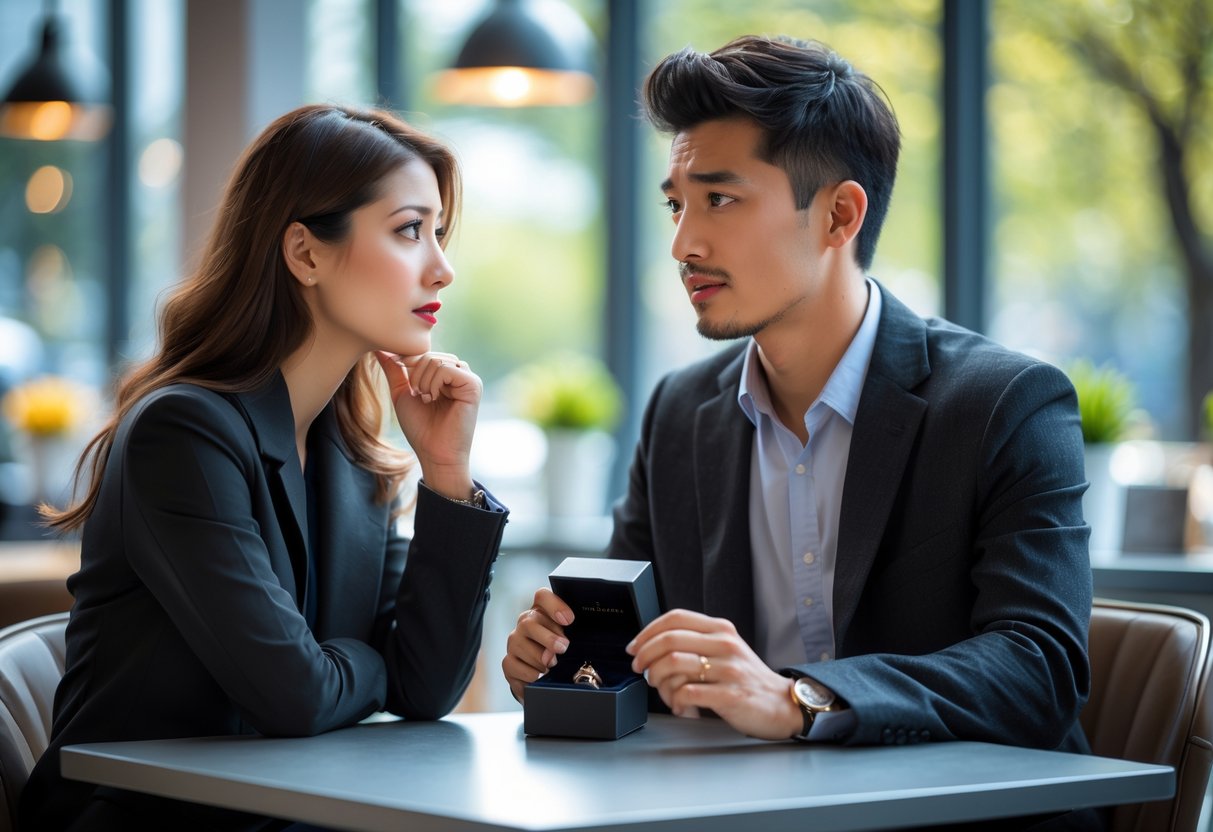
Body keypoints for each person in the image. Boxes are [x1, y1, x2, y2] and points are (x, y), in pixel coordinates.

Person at [504, 34, 1095, 824]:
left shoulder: (1005, 403)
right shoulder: (679, 412)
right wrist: (565, 661)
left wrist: (800, 699)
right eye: (676, 204)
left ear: (838, 215)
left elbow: (1039, 667)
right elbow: (628, 647)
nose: (683, 245)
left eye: (719, 199)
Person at [20, 104, 508, 832]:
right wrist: (366, 665)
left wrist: (444, 471)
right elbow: (296, 697)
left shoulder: (350, 458)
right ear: (305, 254)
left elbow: (424, 686)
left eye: (438, 232)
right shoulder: (183, 433)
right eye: (409, 230)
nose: (442, 264)